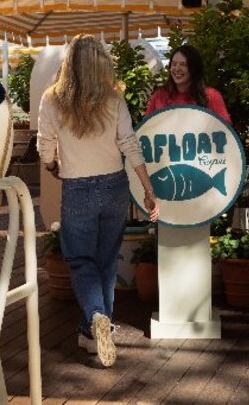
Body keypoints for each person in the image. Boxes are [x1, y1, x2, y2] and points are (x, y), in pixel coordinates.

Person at [37, 34, 158, 368]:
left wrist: (51, 165)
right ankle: (96, 329)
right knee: (105, 261)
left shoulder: (52, 98)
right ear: (101, 61)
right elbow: (130, 143)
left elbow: (44, 145)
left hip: (77, 188)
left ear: (69, 62)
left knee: (79, 261)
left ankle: (95, 317)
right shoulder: (114, 96)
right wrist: (148, 190)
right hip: (115, 186)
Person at [146, 44, 231, 123]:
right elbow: (147, 127)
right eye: (174, 64)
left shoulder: (211, 96)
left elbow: (224, 130)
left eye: (183, 64)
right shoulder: (159, 96)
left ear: (194, 68)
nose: (177, 69)